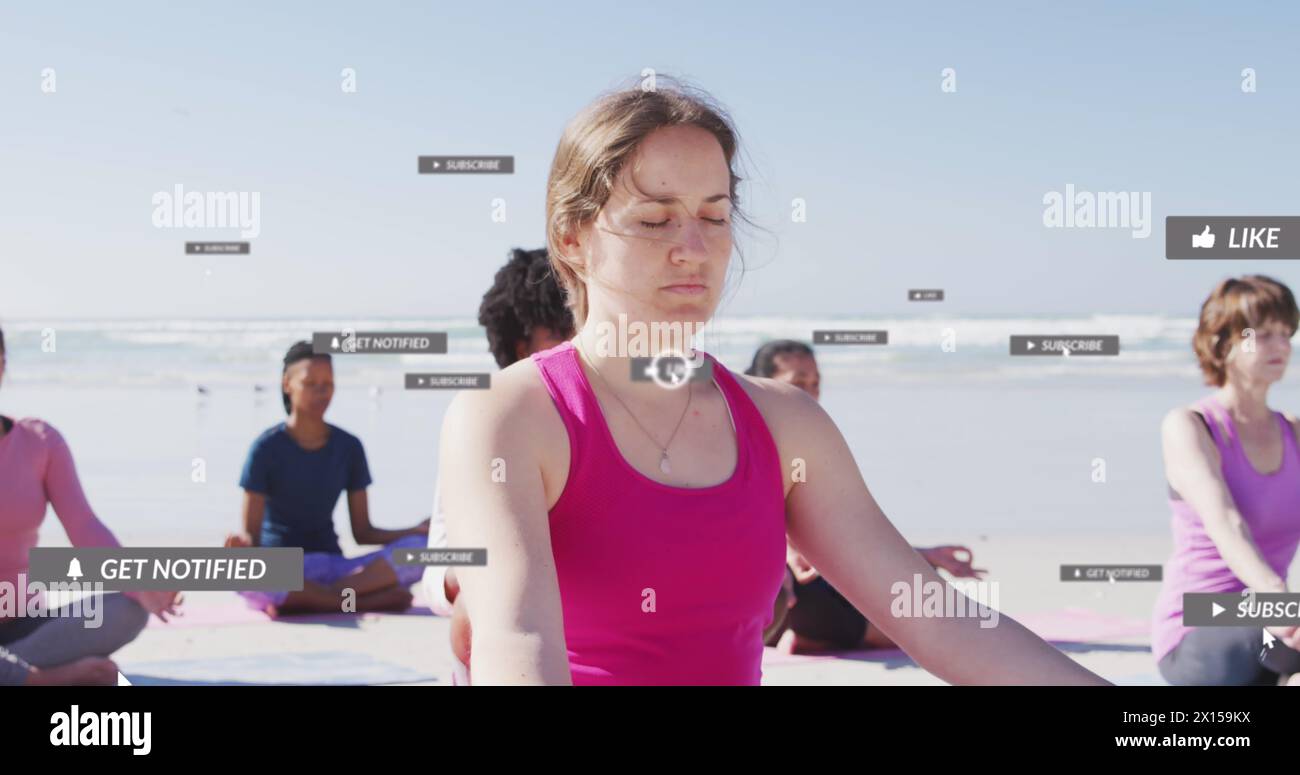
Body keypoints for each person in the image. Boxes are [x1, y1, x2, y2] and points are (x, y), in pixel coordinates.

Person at [439, 79, 1108, 685]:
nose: (693, 248)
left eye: (715, 214)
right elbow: (517, 647)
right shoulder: (511, 417)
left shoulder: (786, 423)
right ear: (572, 238)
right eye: (654, 218)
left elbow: (937, 619)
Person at [745, 340, 986, 651]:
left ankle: (811, 634)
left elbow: (846, 531)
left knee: (913, 584)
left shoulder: (811, 443)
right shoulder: (741, 440)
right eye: (798, 383)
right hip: (766, 587)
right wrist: (777, 559)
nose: (810, 393)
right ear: (763, 386)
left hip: (809, 581)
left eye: (816, 383)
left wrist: (923, 555)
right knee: (799, 594)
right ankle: (817, 634)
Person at [0, 324, 181, 685]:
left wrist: (139, 582)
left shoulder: (40, 442)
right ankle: (38, 679)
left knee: (127, 609)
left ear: (2, 364)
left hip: (28, 626)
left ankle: (18, 672)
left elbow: (84, 528)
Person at [1152, 275, 1300, 685]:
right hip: (1198, 624)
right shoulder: (1191, 426)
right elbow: (1226, 524)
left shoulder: (1294, 433)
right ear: (1222, 344)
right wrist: (1280, 601)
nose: (1282, 345)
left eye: (1287, 332)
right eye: (1264, 333)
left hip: (1275, 624)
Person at [422, 246, 574, 638]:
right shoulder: (484, 424)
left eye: (579, 326)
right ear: (521, 346)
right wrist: (469, 578)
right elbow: (438, 566)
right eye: (557, 332)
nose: (573, 343)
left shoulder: (613, 413)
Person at [226, 341, 429, 616]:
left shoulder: (349, 447)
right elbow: (251, 537)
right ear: (287, 384)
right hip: (284, 569)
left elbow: (363, 532)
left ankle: (314, 599)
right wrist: (240, 545)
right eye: (311, 383)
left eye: (328, 384)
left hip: (338, 570)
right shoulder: (265, 448)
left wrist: (414, 531)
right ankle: (354, 601)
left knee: (422, 550)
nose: (322, 392)